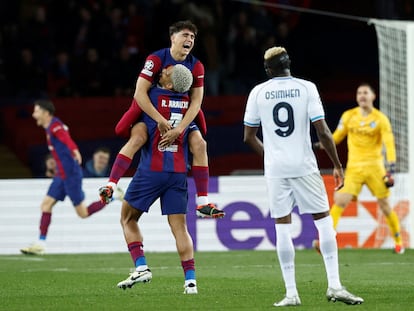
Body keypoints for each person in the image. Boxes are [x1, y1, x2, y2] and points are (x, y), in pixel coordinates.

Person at [243, 46, 364, 306]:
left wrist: (271, 156)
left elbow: (248, 137)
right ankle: (334, 285)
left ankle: (291, 293)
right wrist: (337, 164)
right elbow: (322, 131)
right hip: (304, 165)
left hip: (276, 170)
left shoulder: (258, 92)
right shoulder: (307, 87)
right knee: (323, 222)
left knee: (282, 227)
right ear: (289, 64)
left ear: (268, 70)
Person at [98, 20, 224, 219]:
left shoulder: (196, 66)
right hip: (150, 109)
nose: (189, 39)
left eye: (192, 37)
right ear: (173, 38)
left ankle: (203, 203)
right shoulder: (156, 59)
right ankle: (111, 185)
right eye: (185, 35)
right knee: (137, 139)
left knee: (200, 144)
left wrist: (180, 129)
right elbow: (140, 93)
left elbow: (197, 101)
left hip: (180, 113)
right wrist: (159, 120)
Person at [116, 64, 198, 294]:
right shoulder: (189, 105)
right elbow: (201, 127)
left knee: (127, 219)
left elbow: (122, 126)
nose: (160, 71)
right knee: (180, 228)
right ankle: (190, 281)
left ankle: (141, 266)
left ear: (169, 84)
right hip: (179, 171)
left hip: (152, 170)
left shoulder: (150, 95)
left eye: (165, 73)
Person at [313, 83, 404, 254]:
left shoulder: (380, 119)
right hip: (354, 168)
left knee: (385, 206)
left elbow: (389, 143)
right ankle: (324, 240)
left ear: (373, 96)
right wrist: (317, 146)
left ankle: (399, 242)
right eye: (359, 93)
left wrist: (390, 168)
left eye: (365, 93)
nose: (362, 95)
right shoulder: (349, 116)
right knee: (340, 201)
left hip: (375, 168)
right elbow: (336, 137)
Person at [20, 100, 113, 255]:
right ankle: (41, 243)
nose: (33, 114)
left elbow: (65, 138)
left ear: (45, 112)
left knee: (82, 213)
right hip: (61, 175)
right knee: (46, 205)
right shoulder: (51, 128)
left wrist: (74, 150)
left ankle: (112, 195)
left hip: (70, 175)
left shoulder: (55, 126)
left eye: (36, 111)